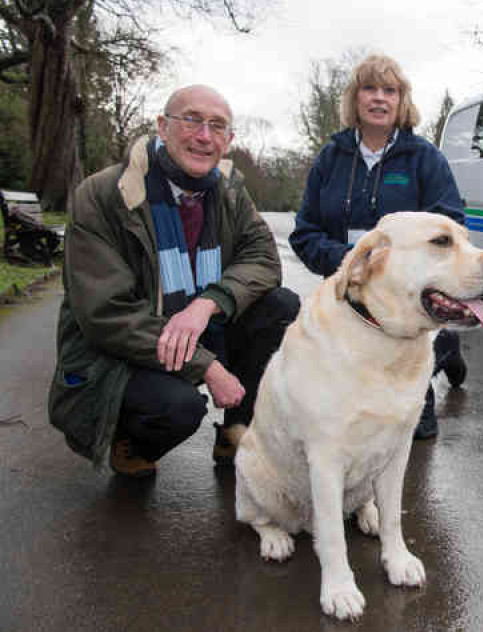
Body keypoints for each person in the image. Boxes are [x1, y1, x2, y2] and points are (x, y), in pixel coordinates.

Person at [48, 84, 300, 478]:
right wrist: (209, 368)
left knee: (280, 306)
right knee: (177, 408)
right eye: (192, 120)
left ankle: (236, 431)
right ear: (163, 127)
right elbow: (105, 315)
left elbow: (263, 260)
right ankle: (132, 443)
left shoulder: (230, 191)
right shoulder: (103, 195)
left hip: (200, 327)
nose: (204, 136)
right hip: (124, 351)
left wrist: (207, 304)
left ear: (228, 141)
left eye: (217, 126)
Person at [290, 54, 467, 440]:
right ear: (355, 98)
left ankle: (441, 353)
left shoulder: (425, 159)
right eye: (369, 88)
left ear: (401, 100)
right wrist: (350, 261)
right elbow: (304, 232)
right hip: (348, 292)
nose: (379, 98)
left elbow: (451, 226)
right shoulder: (330, 158)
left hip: (407, 301)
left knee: (413, 432)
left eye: (390, 90)